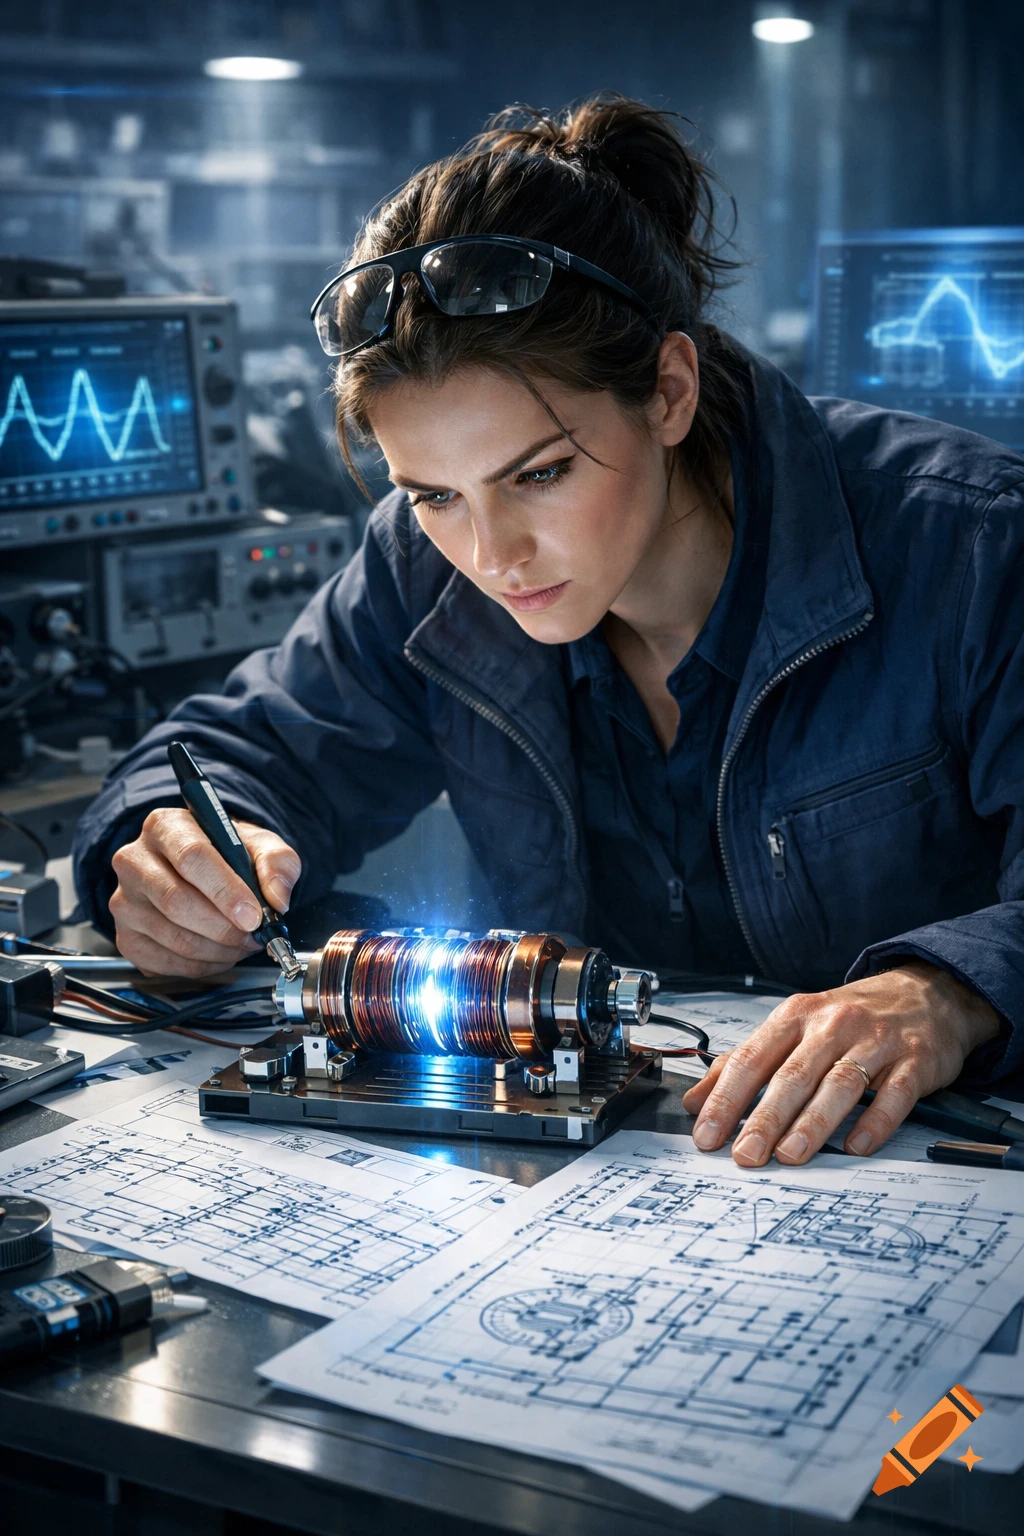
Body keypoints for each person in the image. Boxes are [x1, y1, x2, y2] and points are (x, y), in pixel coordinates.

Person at [74, 95, 1022, 1170]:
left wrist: (947, 992)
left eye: (541, 474)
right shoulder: (417, 562)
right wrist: (173, 855)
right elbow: (233, 756)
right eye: (433, 492)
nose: (492, 556)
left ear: (668, 389)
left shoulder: (973, 546)